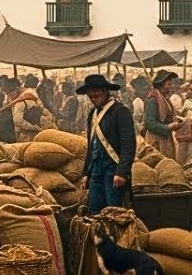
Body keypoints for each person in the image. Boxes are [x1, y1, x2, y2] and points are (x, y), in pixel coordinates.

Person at [78, 74, 136, 213]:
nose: (93, 95)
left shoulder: (120, 111)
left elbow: (129, 145)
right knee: (94, 211)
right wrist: (86, 172)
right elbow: (91, 145)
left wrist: (122, 172)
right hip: (96, 169)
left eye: (96, 91)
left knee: (114, 213)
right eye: (90, 92)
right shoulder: (93, 114)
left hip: (113, 170)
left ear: (105, 91)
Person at [142, 70, 182, 159]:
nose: (171, 87)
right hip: (156, 141)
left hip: (165, 139)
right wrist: (167, 127)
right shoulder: (153, 100)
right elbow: (149, 123)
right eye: (168, 84)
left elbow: (167, 118)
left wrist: (176, 122)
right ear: (161, 85)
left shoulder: (165, 99)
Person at [12, 75, 55, 141]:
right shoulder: (34, 96)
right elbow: (18, 120)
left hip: (27, 133)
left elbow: (18, 120)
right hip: (33, 133)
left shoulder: (21, 98)